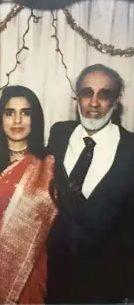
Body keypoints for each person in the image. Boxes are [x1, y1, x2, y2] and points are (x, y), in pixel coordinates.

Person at [46, 64, 134, 303]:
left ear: (116, 101)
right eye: (87, 93)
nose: (94, 103)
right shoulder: (60, 134)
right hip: (55, 282)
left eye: (104, 95)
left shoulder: (131, 148)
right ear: (77, 97)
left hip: (108, 288)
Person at [0, 86, 57, 304]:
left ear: (36, 119)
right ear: (0, 119)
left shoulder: (50, 165)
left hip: (30, 272)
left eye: (26, 112)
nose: (17, 120)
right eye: (10, 112)